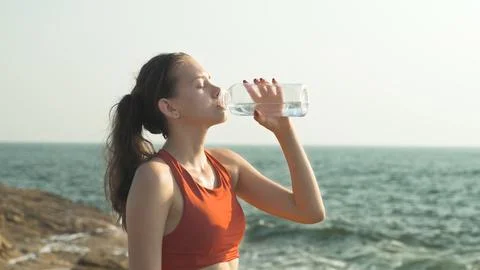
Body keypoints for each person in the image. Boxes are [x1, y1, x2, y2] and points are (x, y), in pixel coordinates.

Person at [104, 52, 326, 270]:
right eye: (201, 85)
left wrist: (284, 131)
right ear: (170, 107)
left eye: (211, 79)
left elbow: (309, 212)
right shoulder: (156, 178)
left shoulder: (228, 165)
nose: (218, 90)